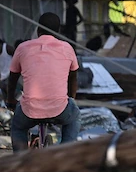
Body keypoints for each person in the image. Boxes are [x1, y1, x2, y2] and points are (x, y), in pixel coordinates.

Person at [5, 12, 80, 150]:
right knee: (74, 118)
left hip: (29, 110)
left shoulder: (22, 47)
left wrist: (10, 100)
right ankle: (65, 154)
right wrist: (71, 98)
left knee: (18, 127)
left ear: (38, 30)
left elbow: (12, 79)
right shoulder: (67, 48)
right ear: (58, 32)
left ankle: (20, 162)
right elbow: (73, 77)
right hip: (60, 109)